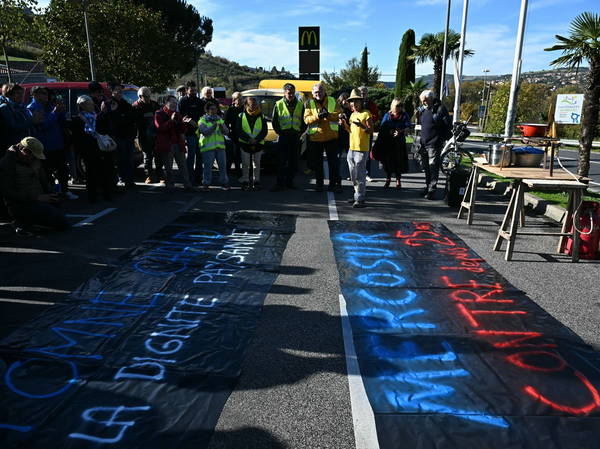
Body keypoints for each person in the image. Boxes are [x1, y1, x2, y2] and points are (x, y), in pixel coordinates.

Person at [0, 137, 69, 235]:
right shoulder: (7, 163)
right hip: (21, 205)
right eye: (33, 156)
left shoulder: (34, 160)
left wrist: (52, 194)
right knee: (61, 222)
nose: (35, 159)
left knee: (59, 212)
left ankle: (28, 223)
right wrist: (37, 198)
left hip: (38, 200)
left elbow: (44, 181)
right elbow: (7, 192)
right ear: (24, 151)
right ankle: (22, 222)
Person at [27, 86, 77, 199]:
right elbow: (42, 125)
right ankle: (52, 192)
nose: (47, 96)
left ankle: (65, 190)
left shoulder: (49, 106)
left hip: (57, 143)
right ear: (35, 95)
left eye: (47, 93)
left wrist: (61, 111)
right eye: (43, 93)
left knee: (63, 169)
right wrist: (55, 113)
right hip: (45, 145)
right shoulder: (32, 108)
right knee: (47, 171)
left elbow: (61, 122)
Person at [71, 95, 115, 203]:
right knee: (91, 173)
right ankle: (92, 196)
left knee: (104, 171)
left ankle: (106, 193)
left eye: (91, 103)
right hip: (88, 150)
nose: (92, 105)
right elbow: (78, 137)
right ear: (82, 105)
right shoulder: (78, 119)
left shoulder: (96, 116)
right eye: (89, 103)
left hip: (100, 148)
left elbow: (104, 128)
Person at [304, 83, 341, 192]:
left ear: (324, 91)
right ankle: (319, 184)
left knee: (333, 163)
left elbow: (338, 114)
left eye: (320, 91)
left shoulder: (333, 100)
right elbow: (306, 119)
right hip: (316, 138)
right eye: (316, 92)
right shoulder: (309, 103)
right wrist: (318, 116)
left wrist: (328, 115)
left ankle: (333, 184)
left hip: (331, 138)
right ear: (312, 93)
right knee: (317, 164)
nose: (318, 94)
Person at [100, 82, 137, 189]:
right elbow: (107, 119)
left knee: (129, 159)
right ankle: (121, 179)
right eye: (117, 89)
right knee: (120, 159)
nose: (120, 91)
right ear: (112, 91)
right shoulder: (108, 103)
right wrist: (119, 116)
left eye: (121, 90)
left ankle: (129, 180)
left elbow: (132, 118)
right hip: (117, 136)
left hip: (128, 135)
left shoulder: (125, 103)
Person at [154, 95, 193, 192]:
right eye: (172, 102)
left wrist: (184, 123)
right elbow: (160, 128)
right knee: (168, 167)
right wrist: (171, 120)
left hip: (178, 144)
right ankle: (170, 185)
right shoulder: (159, 113)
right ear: (166, 103)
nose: (174, 104)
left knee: (183, 165)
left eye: (176, 103)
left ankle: (187, 185)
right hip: (167, 144)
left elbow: (183, 130)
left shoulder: (178, 114)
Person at [271, 83, 306, 191]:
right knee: (281, 161)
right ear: (284, 93)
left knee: (293, 161)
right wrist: (279, 132)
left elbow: (304, 120)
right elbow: (274, 121)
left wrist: (300, 132)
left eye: (292, 93)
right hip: (283, 136)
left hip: (295, 136)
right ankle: (279, 183)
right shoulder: (278, 104)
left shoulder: (300, 105)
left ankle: (290, 182)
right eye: (288, 93)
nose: (290, 95)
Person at [342, 89, 373, 208]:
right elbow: (350, 130)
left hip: (361, 149)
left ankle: (360, 199)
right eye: (352, 102)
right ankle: (357, 195)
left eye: (356, 101)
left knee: (360, 174)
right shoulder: (353, 114)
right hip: (352, 148)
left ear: (361, 102)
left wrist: (362, 125)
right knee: (353, 175)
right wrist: (344, 123)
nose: (354, 104)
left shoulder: (366, 113)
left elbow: (370, 130)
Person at [417, 89, 451, 199]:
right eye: (422, 101)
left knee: (433, 168)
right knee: (426, 168)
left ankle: (432, 189)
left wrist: (440, 139)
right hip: (424, 143)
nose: (423, 103)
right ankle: (428, 186)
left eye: (425, 100)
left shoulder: (440, 109)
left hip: (434, 144)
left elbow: (448, 126)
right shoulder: (423, 109)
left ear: (431, 99)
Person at [374, 99, 411, 189]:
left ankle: (398, 180)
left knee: (398, 161)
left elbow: (408, 127)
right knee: (387, 162)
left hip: (399, 142)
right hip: (388, 142)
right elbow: (382, 127)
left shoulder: (404, 115)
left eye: (400, 106)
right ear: (393, 106)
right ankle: (388, 179)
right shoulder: (387, 115)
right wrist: (389, 131)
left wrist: (401, 131)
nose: (399, 108)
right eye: (397, 106)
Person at [0, 83, 43, 157]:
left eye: (21, 93)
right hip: (15, 147)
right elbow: (13, 128)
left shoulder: (22, 107)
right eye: (17, 93)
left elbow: (29, 124)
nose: (21, 95)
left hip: (26, 146)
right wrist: (31, 121)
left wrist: (37, 121)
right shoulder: (5, 107)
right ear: (9, 94)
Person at [237, 97, 267, 191]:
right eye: (250, 104)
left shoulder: (261, 116)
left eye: (254, 104)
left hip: (258, 144)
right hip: (245, 143)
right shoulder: (241, 115)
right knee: (245, 163)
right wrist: (248, 139)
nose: (253, 106)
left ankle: (256, 181)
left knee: (257, 163)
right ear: (246, 105)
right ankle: (245, 181)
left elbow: (264, 131)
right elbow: (238, 130)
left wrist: (256, 140)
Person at [132, 86, 162, 183]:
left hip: (156, 135)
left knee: (158, 156)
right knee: (148, 157)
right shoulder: (135, 106)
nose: (148, 98)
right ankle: (149, 176)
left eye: (149, 95)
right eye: (146, 96)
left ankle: (160, 175)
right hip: (143, 136)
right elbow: (133, 123)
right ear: (140, 96)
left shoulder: (154, 105)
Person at [198, 102, 229, 191]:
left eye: (215, 109)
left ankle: (224, 183)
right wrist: (214, 126)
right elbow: (205, 132)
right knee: (207, 167)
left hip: (220, 147)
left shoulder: (219, 119)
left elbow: (226, 132)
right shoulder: (202, 120)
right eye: (211, 109)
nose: (214, 111)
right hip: (208, 148)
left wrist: (222, 126)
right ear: (207, 110)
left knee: (223, 166)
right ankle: (206, 184)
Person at [178, 81, 204, 185]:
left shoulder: (199, 101)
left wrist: (199, 124)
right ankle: (189, 178)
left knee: (200, 156)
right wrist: (188, 120)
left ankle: (198, 178)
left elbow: (203, 115)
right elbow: (180, 116)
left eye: (194, 90)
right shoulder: (182, 101)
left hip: (200, 133)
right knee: (191, 156)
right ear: (187, 90)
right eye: (191, 90)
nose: (193, 91)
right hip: (189, 133)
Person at [358, 86, 379, 182]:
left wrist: (367, 119)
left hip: (367, 131)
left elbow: (376, 116)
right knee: (355, 153)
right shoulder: (355, 103)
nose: (362, 95)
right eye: (361, 93)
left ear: (367, 94)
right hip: (356, 132)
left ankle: (367, 173)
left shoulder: (371, 104)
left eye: (364, 93)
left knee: (366, 152)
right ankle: (356, 173)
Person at [224, 91, 243, 177]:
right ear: (234, 100)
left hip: (242, 135)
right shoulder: (230, 110)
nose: (240, 100)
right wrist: (228, 131)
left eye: (241, 98)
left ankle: (239, 172)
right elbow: (225, 122)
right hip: (232, 136)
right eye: (238, 98)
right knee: (230, 155)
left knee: (238, 155)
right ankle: (227, 172)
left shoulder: (245, 109)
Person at [337, 92, 352, 185]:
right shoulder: (337, 110)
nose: (346, 102)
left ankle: (351, 175)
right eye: (344, 100)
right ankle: (337, 176)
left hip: (348, 136)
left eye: (347, 101)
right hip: (338, 137)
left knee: (350, 158)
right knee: (337, 158)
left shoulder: (351, 111)